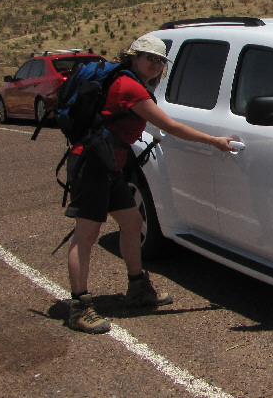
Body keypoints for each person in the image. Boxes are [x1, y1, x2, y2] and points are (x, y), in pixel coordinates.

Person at [66, 33, 235, 334]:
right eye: (150, 59)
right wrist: (213, 141)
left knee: (132, 223)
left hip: (109, 164)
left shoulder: (132, 82)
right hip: (92, 165)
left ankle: (138, 289)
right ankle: (79, 306)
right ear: (133, 57)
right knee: (86, 235)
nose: (156, 65)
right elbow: (169, 125)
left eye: (160, 61)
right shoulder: (128, 86)